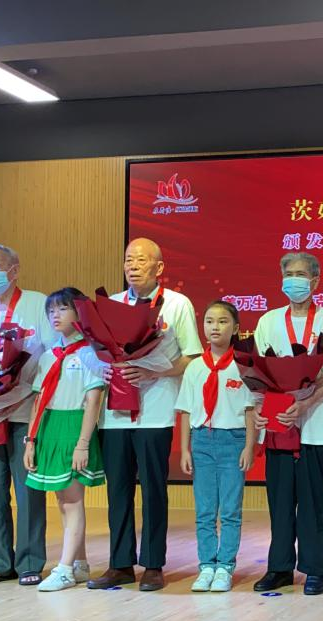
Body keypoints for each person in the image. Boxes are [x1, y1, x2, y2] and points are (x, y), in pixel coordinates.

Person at [88, 238, 202, 593]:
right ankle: (120, 563)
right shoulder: (112, 305)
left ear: (159, 267)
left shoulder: (177, 304)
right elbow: (97, 351)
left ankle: (153, 564)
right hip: (116, 413)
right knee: (118, 489)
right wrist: (104, 367)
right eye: (128, 260)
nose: (133, 266)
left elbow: (192, 357)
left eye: (140, 260)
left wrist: (156, 371)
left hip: (157, 411)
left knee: (153, 489)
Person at [251, 252, 323, 596]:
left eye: (301, 275)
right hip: (277, 422)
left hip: (315, 424)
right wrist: (259, 408)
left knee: (312, 502)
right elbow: (258, 371)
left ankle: (314, 569)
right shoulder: (268, 321)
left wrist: (304, 403)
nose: (294, 280)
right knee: (279, 502)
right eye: (288, 274)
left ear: (315, 281)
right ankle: (279, 568)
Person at [0, 243, 52, 587]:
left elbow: (51, 357)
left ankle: (30, 562)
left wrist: (23, 391)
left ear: (14, 270)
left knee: (29, 490)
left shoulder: (37, 304)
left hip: (24, 412)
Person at [24, 287, 107, 592]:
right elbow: (38, 400)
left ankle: (64, 569)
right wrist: (31, 440)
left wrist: (83, 444)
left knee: (72, 500)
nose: (55, 315)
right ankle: (80, 563)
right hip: (49, 427)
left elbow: (93, 401)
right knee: (62, 501)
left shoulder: (91, 354)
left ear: (79, 312)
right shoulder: (49, 355)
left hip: (74, 425)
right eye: (51, 311)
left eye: (62, 309)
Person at [176, 301, 257, 593]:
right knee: (205, 510)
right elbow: (186, 411)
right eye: (209, 321)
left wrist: (250, 446)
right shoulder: (195, 367)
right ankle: (206, 566)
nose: (215, 327)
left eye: (222, 321)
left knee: (231, 510)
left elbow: (250, 411)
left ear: (235, 328)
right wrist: (185, 449)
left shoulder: (244, 365)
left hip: (232, 441)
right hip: (202, 441)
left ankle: (225, 566)